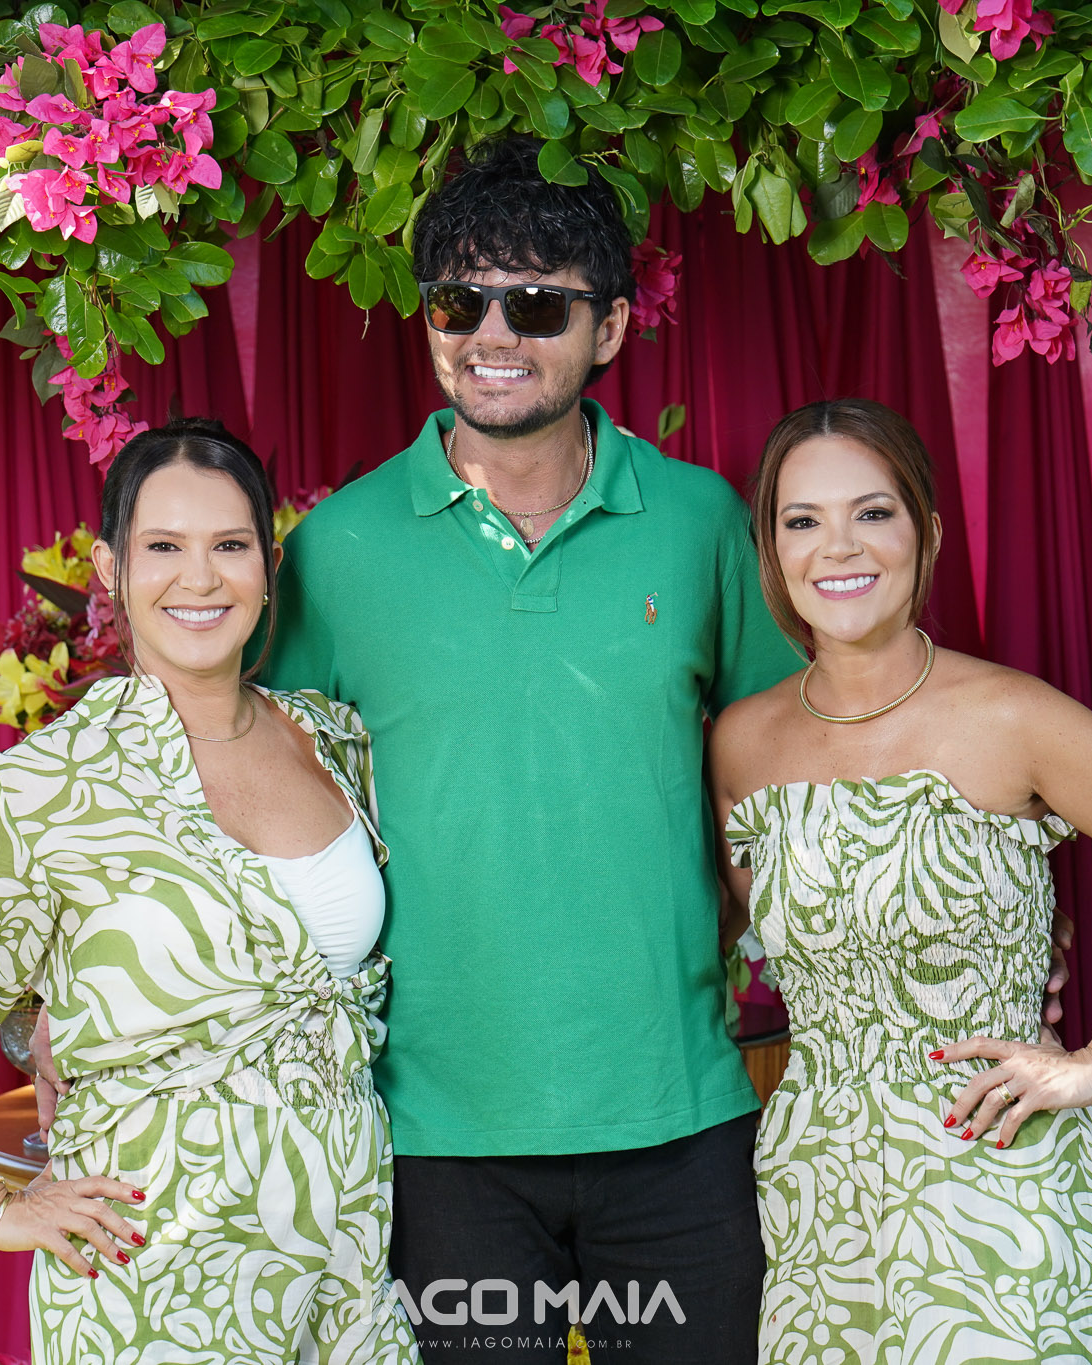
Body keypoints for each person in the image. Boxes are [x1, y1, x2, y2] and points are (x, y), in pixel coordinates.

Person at [255, 134, 804, 1362]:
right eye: (460, 301)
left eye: (538, 304)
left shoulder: (697, 522)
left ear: (609, 330)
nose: (492, 333)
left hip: (676, 1114)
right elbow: (249, 804)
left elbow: (796, 771)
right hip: (436, 1132)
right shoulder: (336, 549)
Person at [0, 419, 420, 1364]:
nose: (200, 578)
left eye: (229, 545)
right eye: (163, 547)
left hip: (345, 1273)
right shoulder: (52, 784)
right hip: (156, 1282)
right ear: (109, 569)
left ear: (269, 565)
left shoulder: (332, 740)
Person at [709, 399, 1092, 1364]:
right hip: (819, 1190)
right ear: (771, 550)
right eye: (802, 520)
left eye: (872, 512)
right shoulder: (742, 743)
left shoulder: (1012, 716)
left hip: (995, 1179)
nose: (839, 546)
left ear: (927, 533)